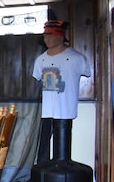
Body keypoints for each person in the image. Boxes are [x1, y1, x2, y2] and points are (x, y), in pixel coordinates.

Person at [32, 19, 91, 163]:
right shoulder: (40, 60)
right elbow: (37, 77)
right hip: (46, 111)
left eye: (51, 35)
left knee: (63, 149)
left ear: (60, 36)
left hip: (66, 110)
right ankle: (41, 178)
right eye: (45, 36)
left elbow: (87, 72)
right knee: (44, 147)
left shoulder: (77, 58)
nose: (47, 39)